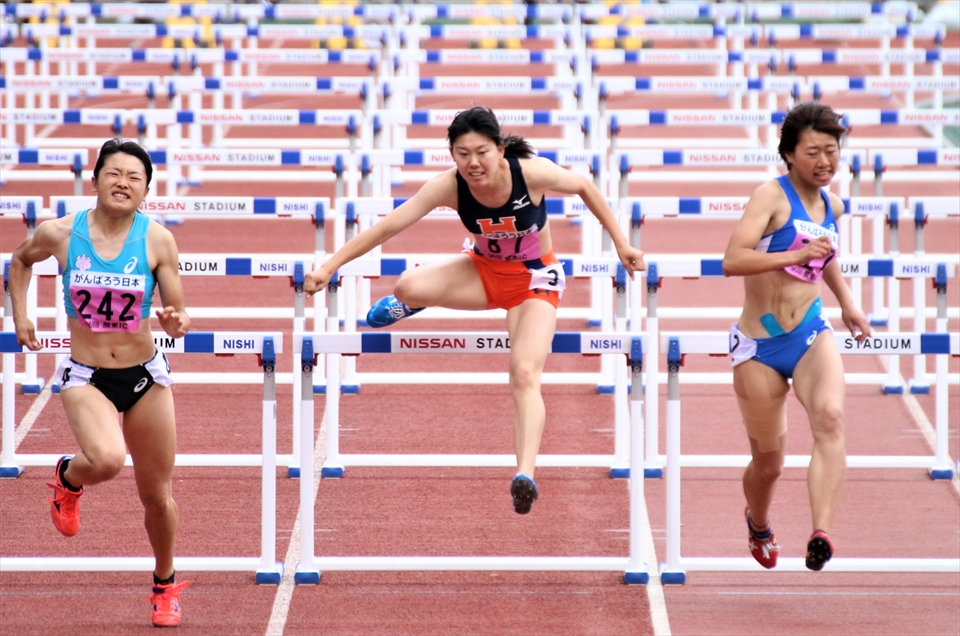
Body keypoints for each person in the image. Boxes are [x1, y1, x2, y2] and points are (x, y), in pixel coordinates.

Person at [304, 106, 646, 514]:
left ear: (500, 150)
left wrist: (621, 244)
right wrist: (329, 265)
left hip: (533, 281)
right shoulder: (448, 186)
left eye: (481, 152)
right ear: (451, 154)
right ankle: (408, 304)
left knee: (523, 371)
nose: (473, 163)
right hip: (482, 271)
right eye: (462, 154)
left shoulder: (530, 173)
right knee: (407, 284)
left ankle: (525, 474)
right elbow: (388, 226)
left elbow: (585, 187)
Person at [9, 139, 192, 627]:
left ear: (146, 189)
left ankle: (164, 584)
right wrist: (20, 315)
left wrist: (176, 320)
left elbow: (178, 308)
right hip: (86, 374)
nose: (123, 183)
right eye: (114, 173)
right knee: (108, 461)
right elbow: (20, 260)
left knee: (157, 495)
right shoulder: (63, 233)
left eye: (135, 177)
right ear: (96, 181)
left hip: (145, 374)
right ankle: (70, 476)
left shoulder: (157, 240)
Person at [721, 102, 871, 572]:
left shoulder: (833, 205)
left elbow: (823, 258)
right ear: (788, 154)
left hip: (809, 333)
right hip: (758, 347)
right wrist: (795, 252)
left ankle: (820, 533)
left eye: (832, 151)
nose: (825, 161)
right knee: (769, 464)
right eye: (814, 152)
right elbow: (732, 259)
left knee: (829, 417)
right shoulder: (770, 196)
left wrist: (847, 302)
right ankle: (759, 523)